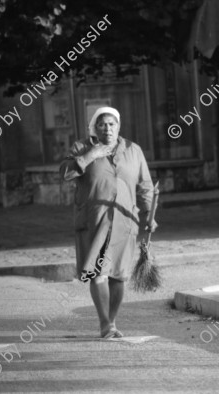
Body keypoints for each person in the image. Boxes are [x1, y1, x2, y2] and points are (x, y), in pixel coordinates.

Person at [60, 106, 156, 339]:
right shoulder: (81, 147)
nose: (108, 128)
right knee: (98, 272)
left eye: (112, 124)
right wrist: (91, 155)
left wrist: (149, 214)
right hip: (95, 220)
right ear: (95, 127)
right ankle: (106, 324)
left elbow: (145, 185)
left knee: (118, 275)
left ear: (119, 126)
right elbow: (65, 172)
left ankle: (111, 321)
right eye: (102, 124)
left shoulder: (133, 150)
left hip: (125, 220)